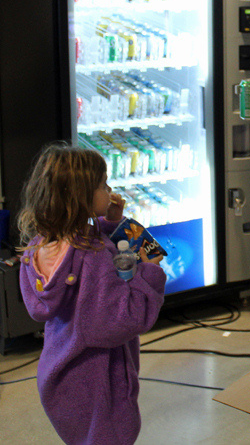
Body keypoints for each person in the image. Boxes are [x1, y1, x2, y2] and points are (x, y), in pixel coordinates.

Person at [17, 144, 167, 445]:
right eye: (103, 184)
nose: (110, 189)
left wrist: (112, 223)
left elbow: (83, 244)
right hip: (99, 383)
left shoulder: (39, 245)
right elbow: (124, 319)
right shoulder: (94, 256)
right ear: (81, 198)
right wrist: (150, 271)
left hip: (62, 375)